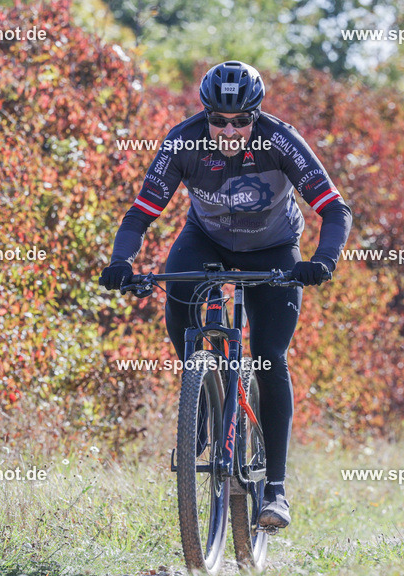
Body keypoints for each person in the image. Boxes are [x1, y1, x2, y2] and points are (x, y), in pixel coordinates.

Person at [99, 60, 352, 528]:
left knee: (269, 356)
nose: (229, 130)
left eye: (241, 120)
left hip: (273, 246)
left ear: (256, 115)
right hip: (207, 239)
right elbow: (140, 213)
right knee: (178, 295)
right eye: (218, 120)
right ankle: (200, 403)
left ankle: (275, 490)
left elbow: (335, 209)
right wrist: (121, 262)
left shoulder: (280, 140)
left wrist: (322, 261)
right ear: (205, 114)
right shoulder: (183, 141)